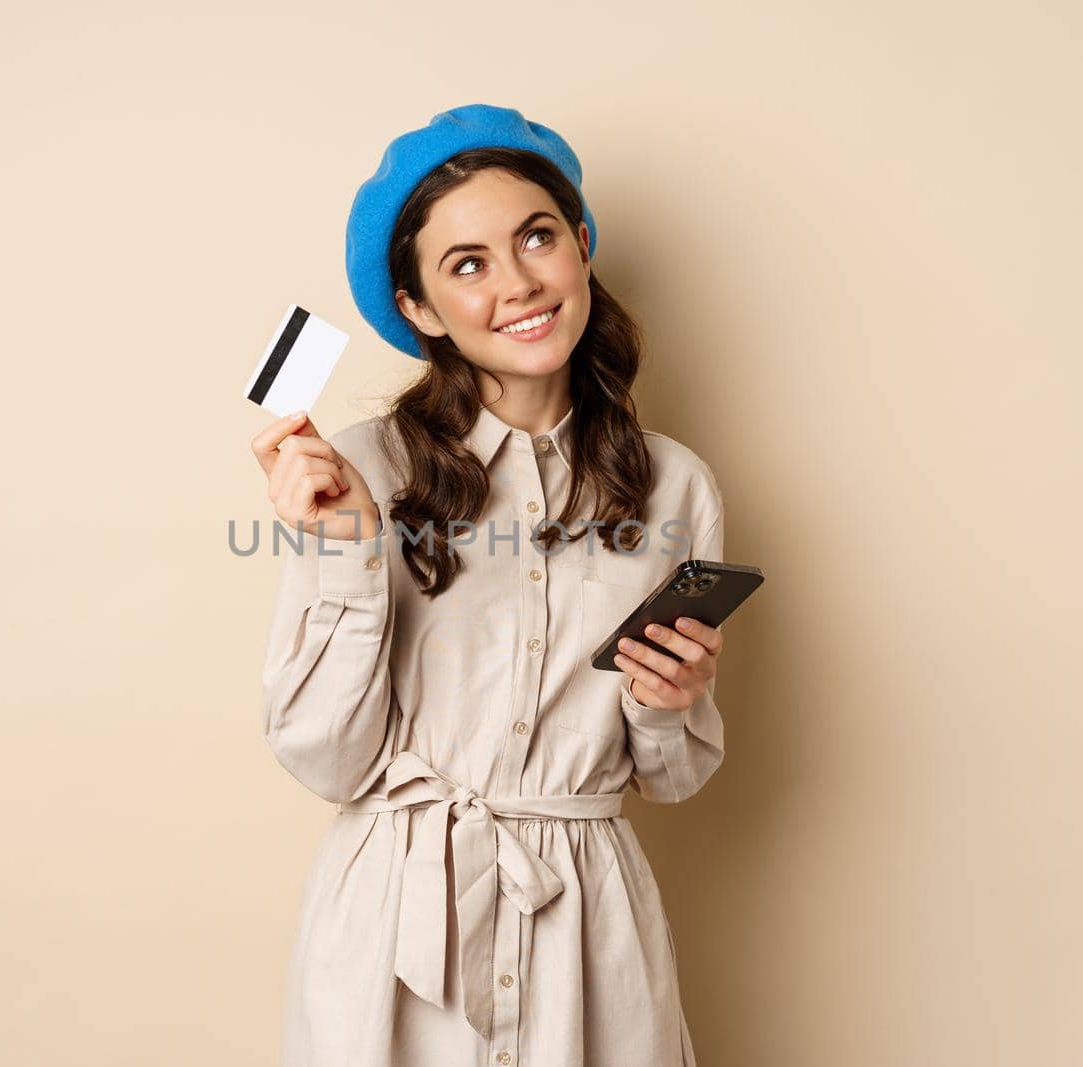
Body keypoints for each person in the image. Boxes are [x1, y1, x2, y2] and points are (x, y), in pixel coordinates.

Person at [250, 103, 728, 1066]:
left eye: (536, 237)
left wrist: (669, 700)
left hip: (589, 938)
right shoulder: (357, 470)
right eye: (466, 264)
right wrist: (349, 546)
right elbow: (326, 762)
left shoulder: (675, 484)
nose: (517, 283)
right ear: (419, 307)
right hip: (395, 934)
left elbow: (672, 776)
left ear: (581, 244)